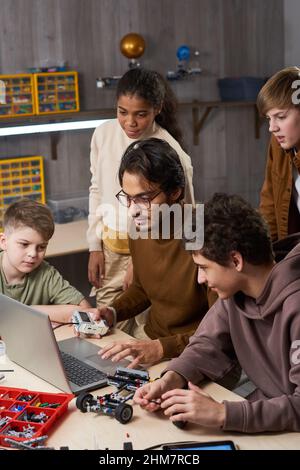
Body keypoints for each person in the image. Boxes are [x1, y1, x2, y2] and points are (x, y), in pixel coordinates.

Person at [134, 193, 300, 433]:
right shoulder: (235, 293)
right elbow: (206, 344)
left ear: (235, 260)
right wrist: (170, 379)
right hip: (269, 416)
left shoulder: (295, 303)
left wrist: (223, 413)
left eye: (204, 268)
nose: (201, 278)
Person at [96, 138, 211, 368]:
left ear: (175, 192)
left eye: (144, 198)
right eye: (128, 198)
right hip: (151, 339)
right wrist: (113, 312)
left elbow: (222, 327)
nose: (133, 210)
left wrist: (163, 348)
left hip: (198, 350)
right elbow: (142, 288)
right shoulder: (139, 227)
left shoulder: (206, 233)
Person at [87, 68, 195, 308]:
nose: (130, 122)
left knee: (141, 330)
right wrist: (95, 246)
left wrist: (140, 262)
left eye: (141, 114)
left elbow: (185, 215)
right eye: (122, 112)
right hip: (110, 249)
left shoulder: (172, 151)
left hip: (152, 253)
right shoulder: (103, 134)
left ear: (157, 109)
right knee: (105, 323)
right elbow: (97, 190)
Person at [0, 199, 96, 323]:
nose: (33, 254)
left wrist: (29, 311)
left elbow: (86, 311)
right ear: (3, 242)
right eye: (24, 244)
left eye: (41, 247)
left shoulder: (46, 273)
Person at [258, 66, 300, 242]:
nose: (272, 128)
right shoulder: (278, 144)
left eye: (281, 117)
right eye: (269, 118)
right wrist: (268, 256)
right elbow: (268, 205)